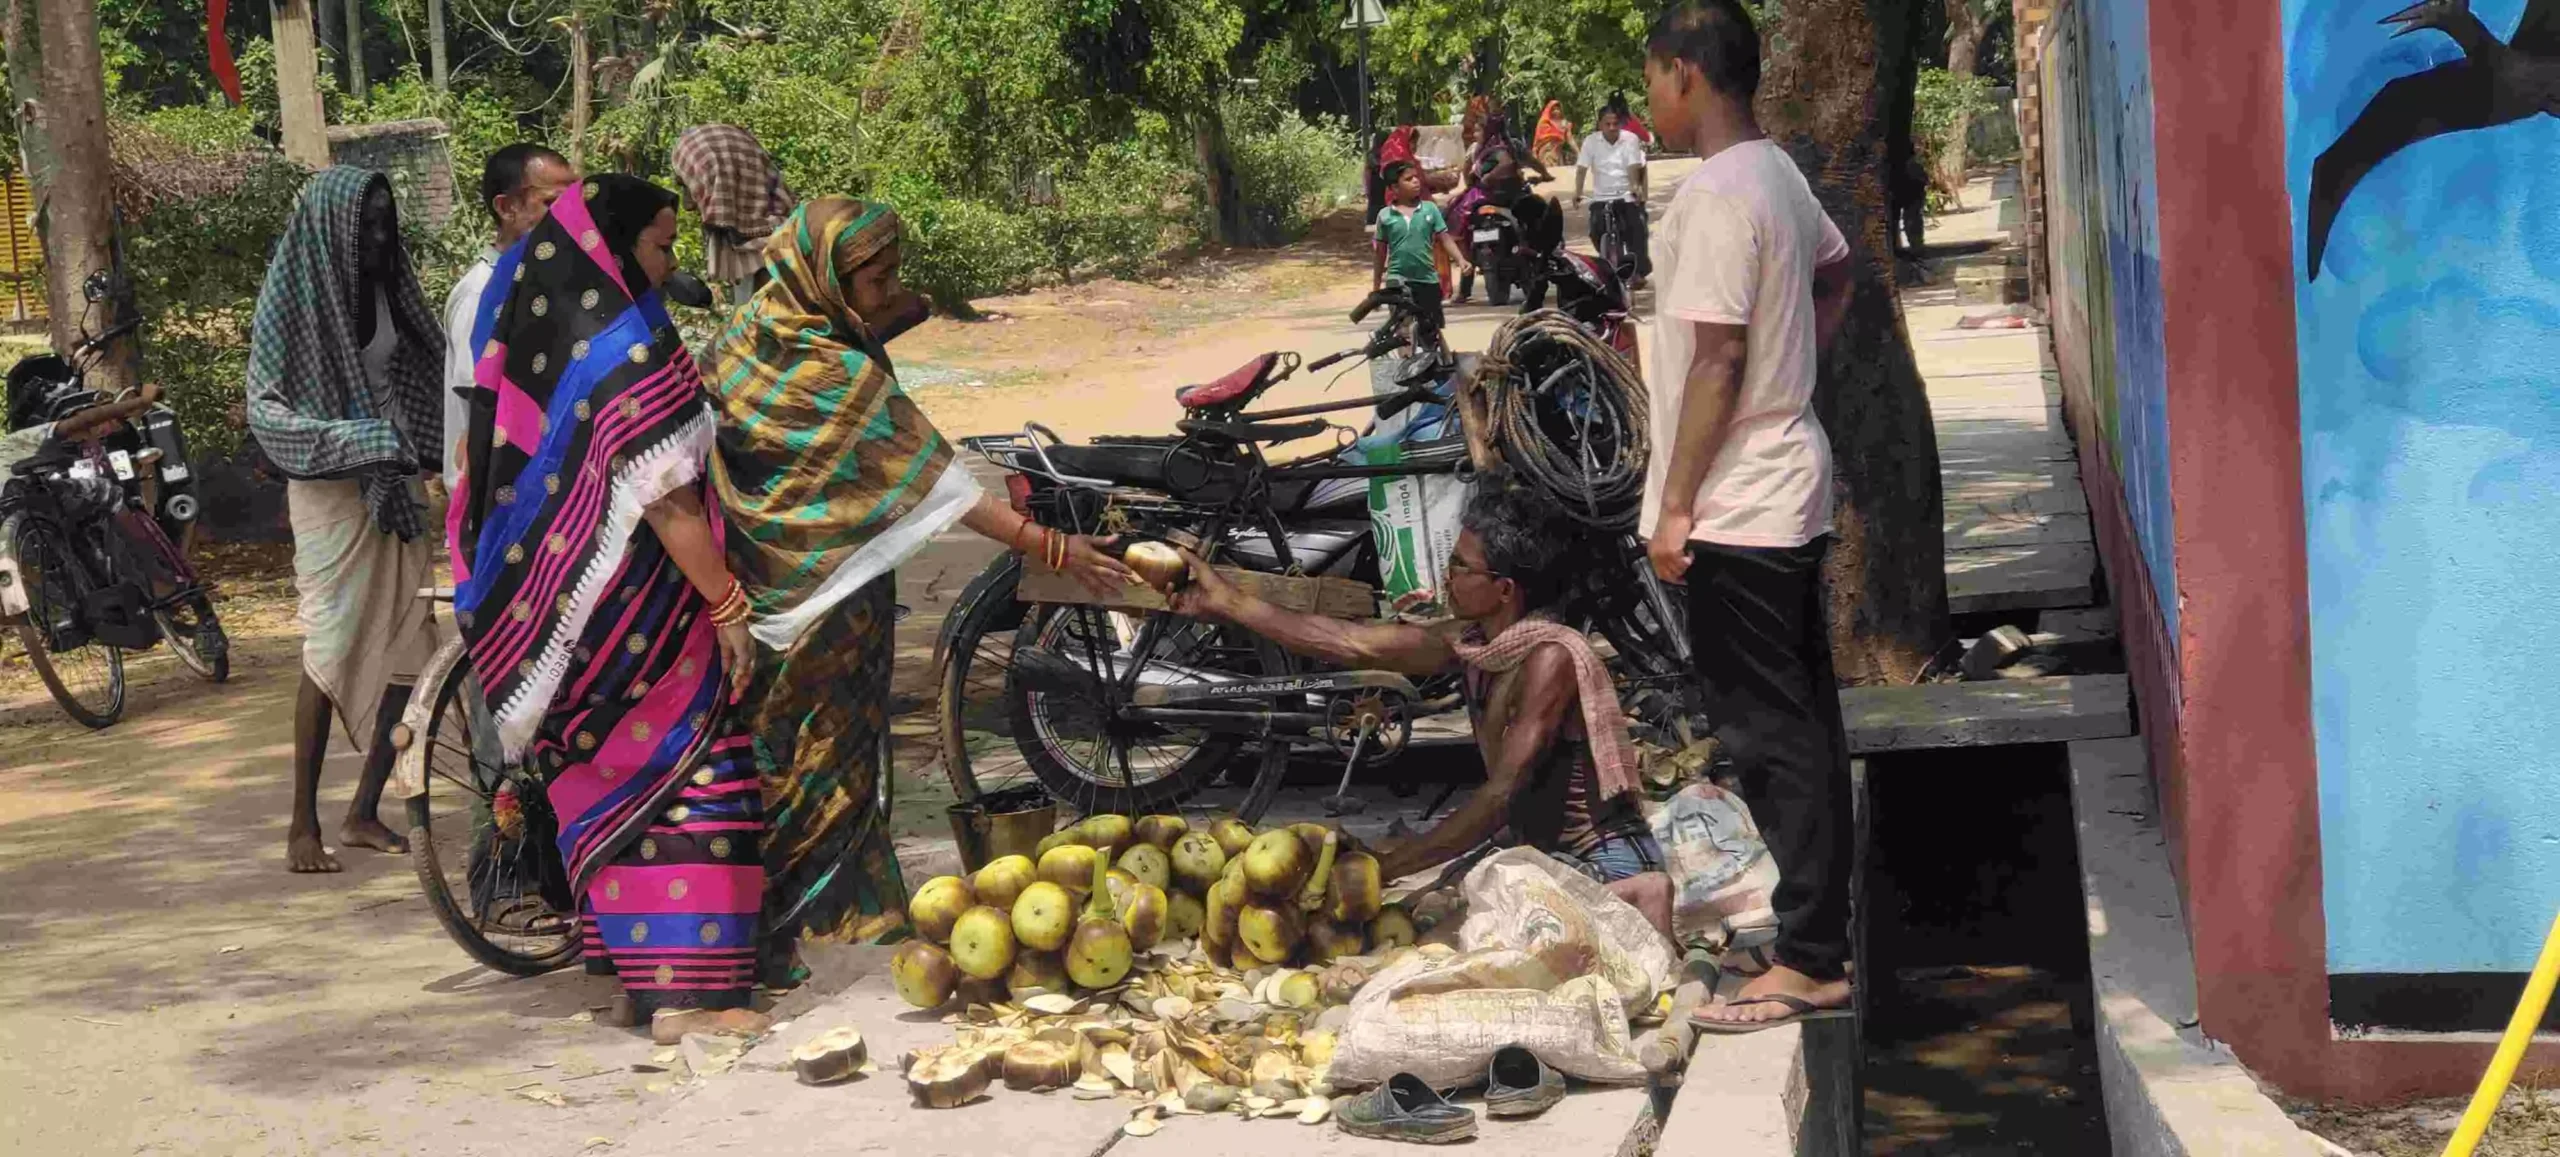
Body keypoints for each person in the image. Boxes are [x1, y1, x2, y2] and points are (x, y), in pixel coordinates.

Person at [707, 197, 1136, 988]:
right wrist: (1050, 546)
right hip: (808, 611)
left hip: (791, 588)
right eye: (876, 276)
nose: (889, 289)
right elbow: (938, 483)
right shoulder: (836, 372)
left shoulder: (748, 336)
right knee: (803, 766)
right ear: (828, 276)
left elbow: (898, 313)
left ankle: (841, 919)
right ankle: (782, 929)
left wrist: (892, 299)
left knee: (830, 764)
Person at [447, 173, 768, 1040]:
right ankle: (689, 999)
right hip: (646, 621)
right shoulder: (623, 347)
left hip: (569, 624)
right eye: (661, 245)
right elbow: (666, 501)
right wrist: (727, 602)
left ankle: (632, 983)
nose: (669, 265)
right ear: (611, 248)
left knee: (602, 785)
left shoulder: (538, 337)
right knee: (695, 784)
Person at [1171, 477, 1676, 943]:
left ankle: (1638, 894)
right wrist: (1226, 602)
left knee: (1494, 953)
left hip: (1597, 857)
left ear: (1504, 590)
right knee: (1436, 936)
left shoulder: (1552, 658)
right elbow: (1351, 643)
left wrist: (1391, 865)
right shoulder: (1475, 643)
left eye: (1461, 566)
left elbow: (1501, 795)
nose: (1447, 574)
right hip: (1538, 852)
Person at [1639, 0, 1857, 1032]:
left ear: (1685, 72)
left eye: (1651, 76)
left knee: (1772, 733)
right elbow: (1835, 269)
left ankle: (1811, 958)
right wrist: (1795, 362)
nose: (1647, 98)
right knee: (1800, 721)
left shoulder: (1724, 194)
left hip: (1740, 503)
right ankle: (1814, 936)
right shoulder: (1777, 173)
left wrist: (1676, 505)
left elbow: (1717, 358)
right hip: (1784, 478)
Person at [246, 167, 445, 874]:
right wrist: (358, 442)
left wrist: (426, 444)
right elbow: (266, 408)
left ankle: (364, 810)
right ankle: (302, 823)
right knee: (329, 643)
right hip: (332, 490)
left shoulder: (392, 288)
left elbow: (427, 362)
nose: (380, 238)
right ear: (334, 229)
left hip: (397, 481)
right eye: (367, 226)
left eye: (388, 224)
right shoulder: (291, 299)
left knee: (410, 641)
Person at [440, 143, 576, 503]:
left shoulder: (544, 285)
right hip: (493, 502)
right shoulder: (480, 294)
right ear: (506, 207)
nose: (569, 216)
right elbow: (483, 408)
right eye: (551, 203)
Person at [671, 124, 796, 298]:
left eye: (690, 187)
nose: (688, 205)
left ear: (723, 184)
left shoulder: (785, 261)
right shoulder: (756, 257)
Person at [1452, 110, 1554, 303]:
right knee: (1537, 220)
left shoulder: (1476, 150)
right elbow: (1532, 162)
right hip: (1511, 197)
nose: (1475, 135)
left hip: (1480, 199)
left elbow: (1466, 172)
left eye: (1478, 131)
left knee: (1463, 231)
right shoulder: (1510, 146)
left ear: (1488, 130)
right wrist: (1545, 175)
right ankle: (1535, 256)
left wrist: (1475, 183)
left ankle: (1464, 289)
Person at [1372, 161, 1471, 352]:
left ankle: (1436, 364)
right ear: (1394, 188)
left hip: (1427, 280)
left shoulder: (1430, 209)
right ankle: (1408, 372)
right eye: (1409, 179)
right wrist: (1376, 287)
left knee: (1430, 333)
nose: (1416, 181)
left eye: (1416, 177)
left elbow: (1445, 238)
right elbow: (1380, 254)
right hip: (1397, 282)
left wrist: (1460, 259)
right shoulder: (1385, 216)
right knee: (1403, 333)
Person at [1574, 101, 1653, 286]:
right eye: (1607, 124)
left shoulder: (1630, 139)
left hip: (1625, 194)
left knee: (1637, 229)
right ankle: (1607, 267)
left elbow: (1634, 165)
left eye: (1615, 124)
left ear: (1620, 124)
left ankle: (1638, 271)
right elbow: (1581, 169)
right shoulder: (1590, 142)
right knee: (1595, 232)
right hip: (1601, 197)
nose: (1611, 128)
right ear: (1600, 124)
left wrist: (1635, 187)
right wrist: (1577, 192)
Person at [1532, 99, 1574, 169]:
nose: (1556, 111)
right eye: (1553, 109)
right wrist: (1535, 152)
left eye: (1558, 109)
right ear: (1549, 111)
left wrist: (1579, 153)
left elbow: (1570, 140)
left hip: (1558, 153)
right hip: (1546, 153)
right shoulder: (1544, 123)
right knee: (1550, 172)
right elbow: (1538, 141)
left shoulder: (1564, 124)